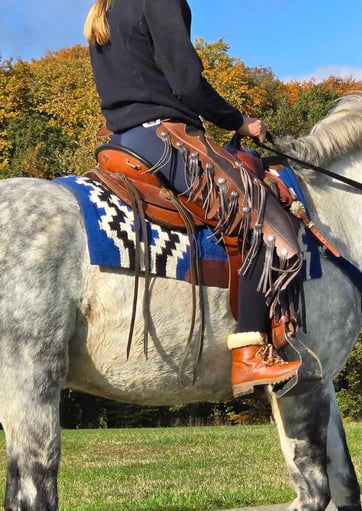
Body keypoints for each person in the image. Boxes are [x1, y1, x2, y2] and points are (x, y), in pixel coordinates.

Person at [84, 0, 302, 397]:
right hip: (166, 139)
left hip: (126, 140)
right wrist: (239, 121)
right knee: (263, 218)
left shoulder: (105, 9)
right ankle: (251, 350)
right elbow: (187, 82)